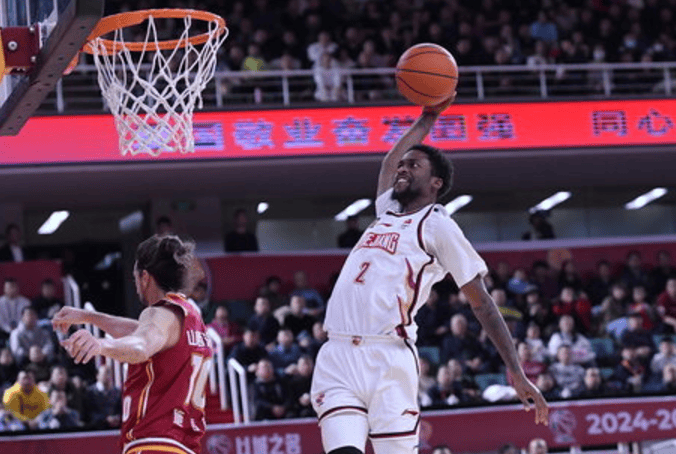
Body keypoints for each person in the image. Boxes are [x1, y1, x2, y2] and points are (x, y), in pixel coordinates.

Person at [310, 95, 548, 454]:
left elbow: (482, 303)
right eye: (403, 165)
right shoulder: (387, 211)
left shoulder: (438, 226)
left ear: (436, 182)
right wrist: (428, 117)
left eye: (414, 165)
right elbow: (388, 162)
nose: (402, 169)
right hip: (338, 355)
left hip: (388, 359)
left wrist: (515, 370)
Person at [52, 235, 212, 454]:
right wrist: (89, 317)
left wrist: (101, 345)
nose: (135, 284)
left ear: (144, 277)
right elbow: (141, 332)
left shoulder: (158, 313)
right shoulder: (190, 317)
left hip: (154, 443)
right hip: (183, 447)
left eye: (134, 277)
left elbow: (141, 345)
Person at [0, 278, 32, 343]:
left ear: (17, 288)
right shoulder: (1, 302)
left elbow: (27, 319)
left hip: (22, 332)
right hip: (3, 332)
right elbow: (1, 321)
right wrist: (9, 330)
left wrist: (17, 330)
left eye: (13, 287)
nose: (11, 290)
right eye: (8, 288)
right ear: (4, 289)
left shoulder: (25, 302)